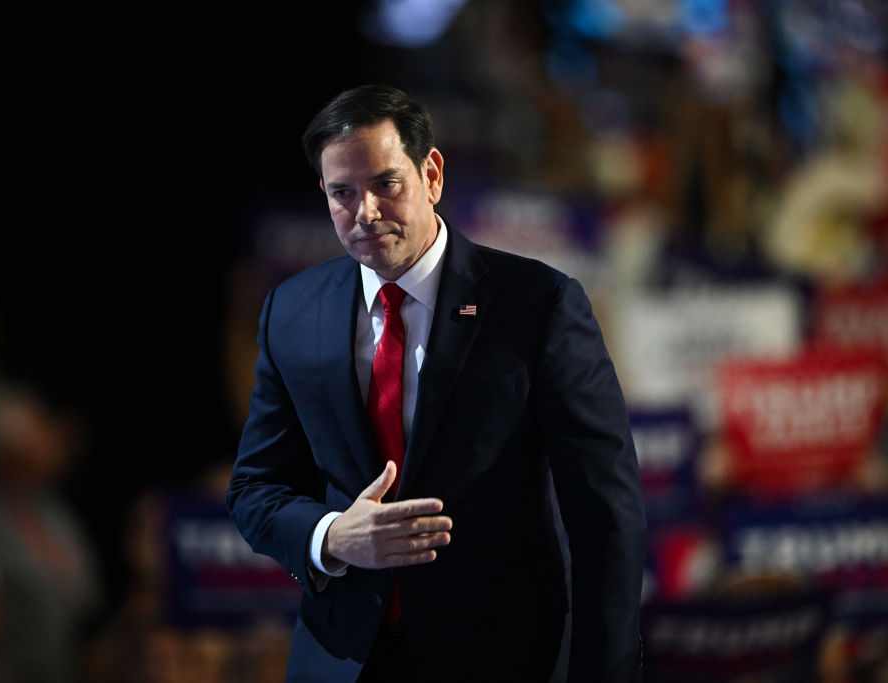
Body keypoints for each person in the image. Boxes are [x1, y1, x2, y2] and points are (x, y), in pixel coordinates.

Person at [226, 84, 646, 683]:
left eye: (385, 184)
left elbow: (607, 512)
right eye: (342, 193)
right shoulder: (291, 313)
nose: (365, 211)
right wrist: (332, 534)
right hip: (343, 662)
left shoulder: (539, 305)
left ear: (433, 174)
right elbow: (256, 490)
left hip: (499, 659)